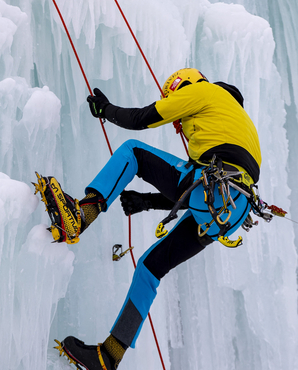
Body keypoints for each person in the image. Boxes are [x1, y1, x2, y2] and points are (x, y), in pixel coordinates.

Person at [39, 68, 261, 370]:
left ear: (185, 86)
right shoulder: (241, 124)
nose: (180, 125)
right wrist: (146, 202)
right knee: (150, 268)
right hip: (230, 209)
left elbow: (144, 118)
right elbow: (198, 195)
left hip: (211, 184)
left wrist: (107, 111)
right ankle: (110, 355)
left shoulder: (203, 91)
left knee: (134, 152)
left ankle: (80, 216)